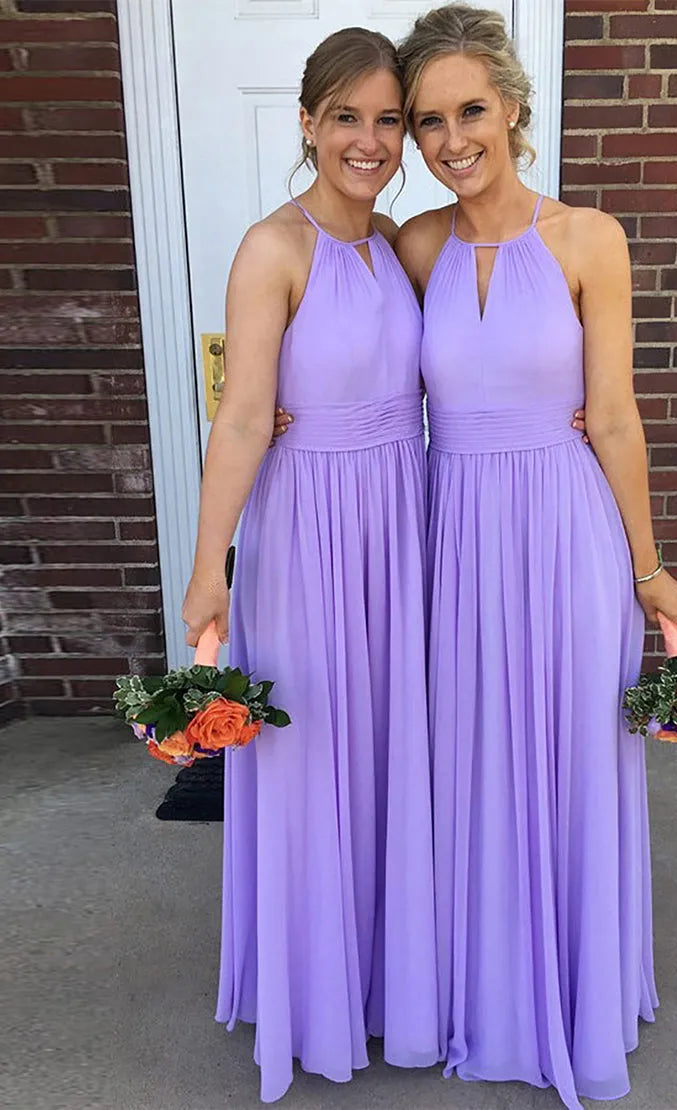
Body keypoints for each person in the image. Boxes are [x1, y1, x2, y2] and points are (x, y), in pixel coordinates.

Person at [393, 6, 677, 1107]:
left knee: (568, 756)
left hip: (565, 531)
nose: (451, 140)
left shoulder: (587, 238)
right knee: (469, 757)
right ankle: (484, 991)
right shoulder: (414, 245)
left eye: (470, 110)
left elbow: (612, 414)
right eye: (429, 121)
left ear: (514, 107)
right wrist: (291, 412)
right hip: (454, 531)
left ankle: (572, 993)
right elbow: (359, 352)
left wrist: (646, 566)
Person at [181, 28, 439, 1103]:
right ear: (307, 123)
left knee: (393, 753)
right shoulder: (271, 249)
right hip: (308, 531)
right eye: (346, 118)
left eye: (388, 120)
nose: (368, 141)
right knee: (315, 755)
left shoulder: (400, 246)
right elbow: (244, 418)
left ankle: (391, 979)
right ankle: (317, 994)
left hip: (402, 521)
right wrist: (210, 567)